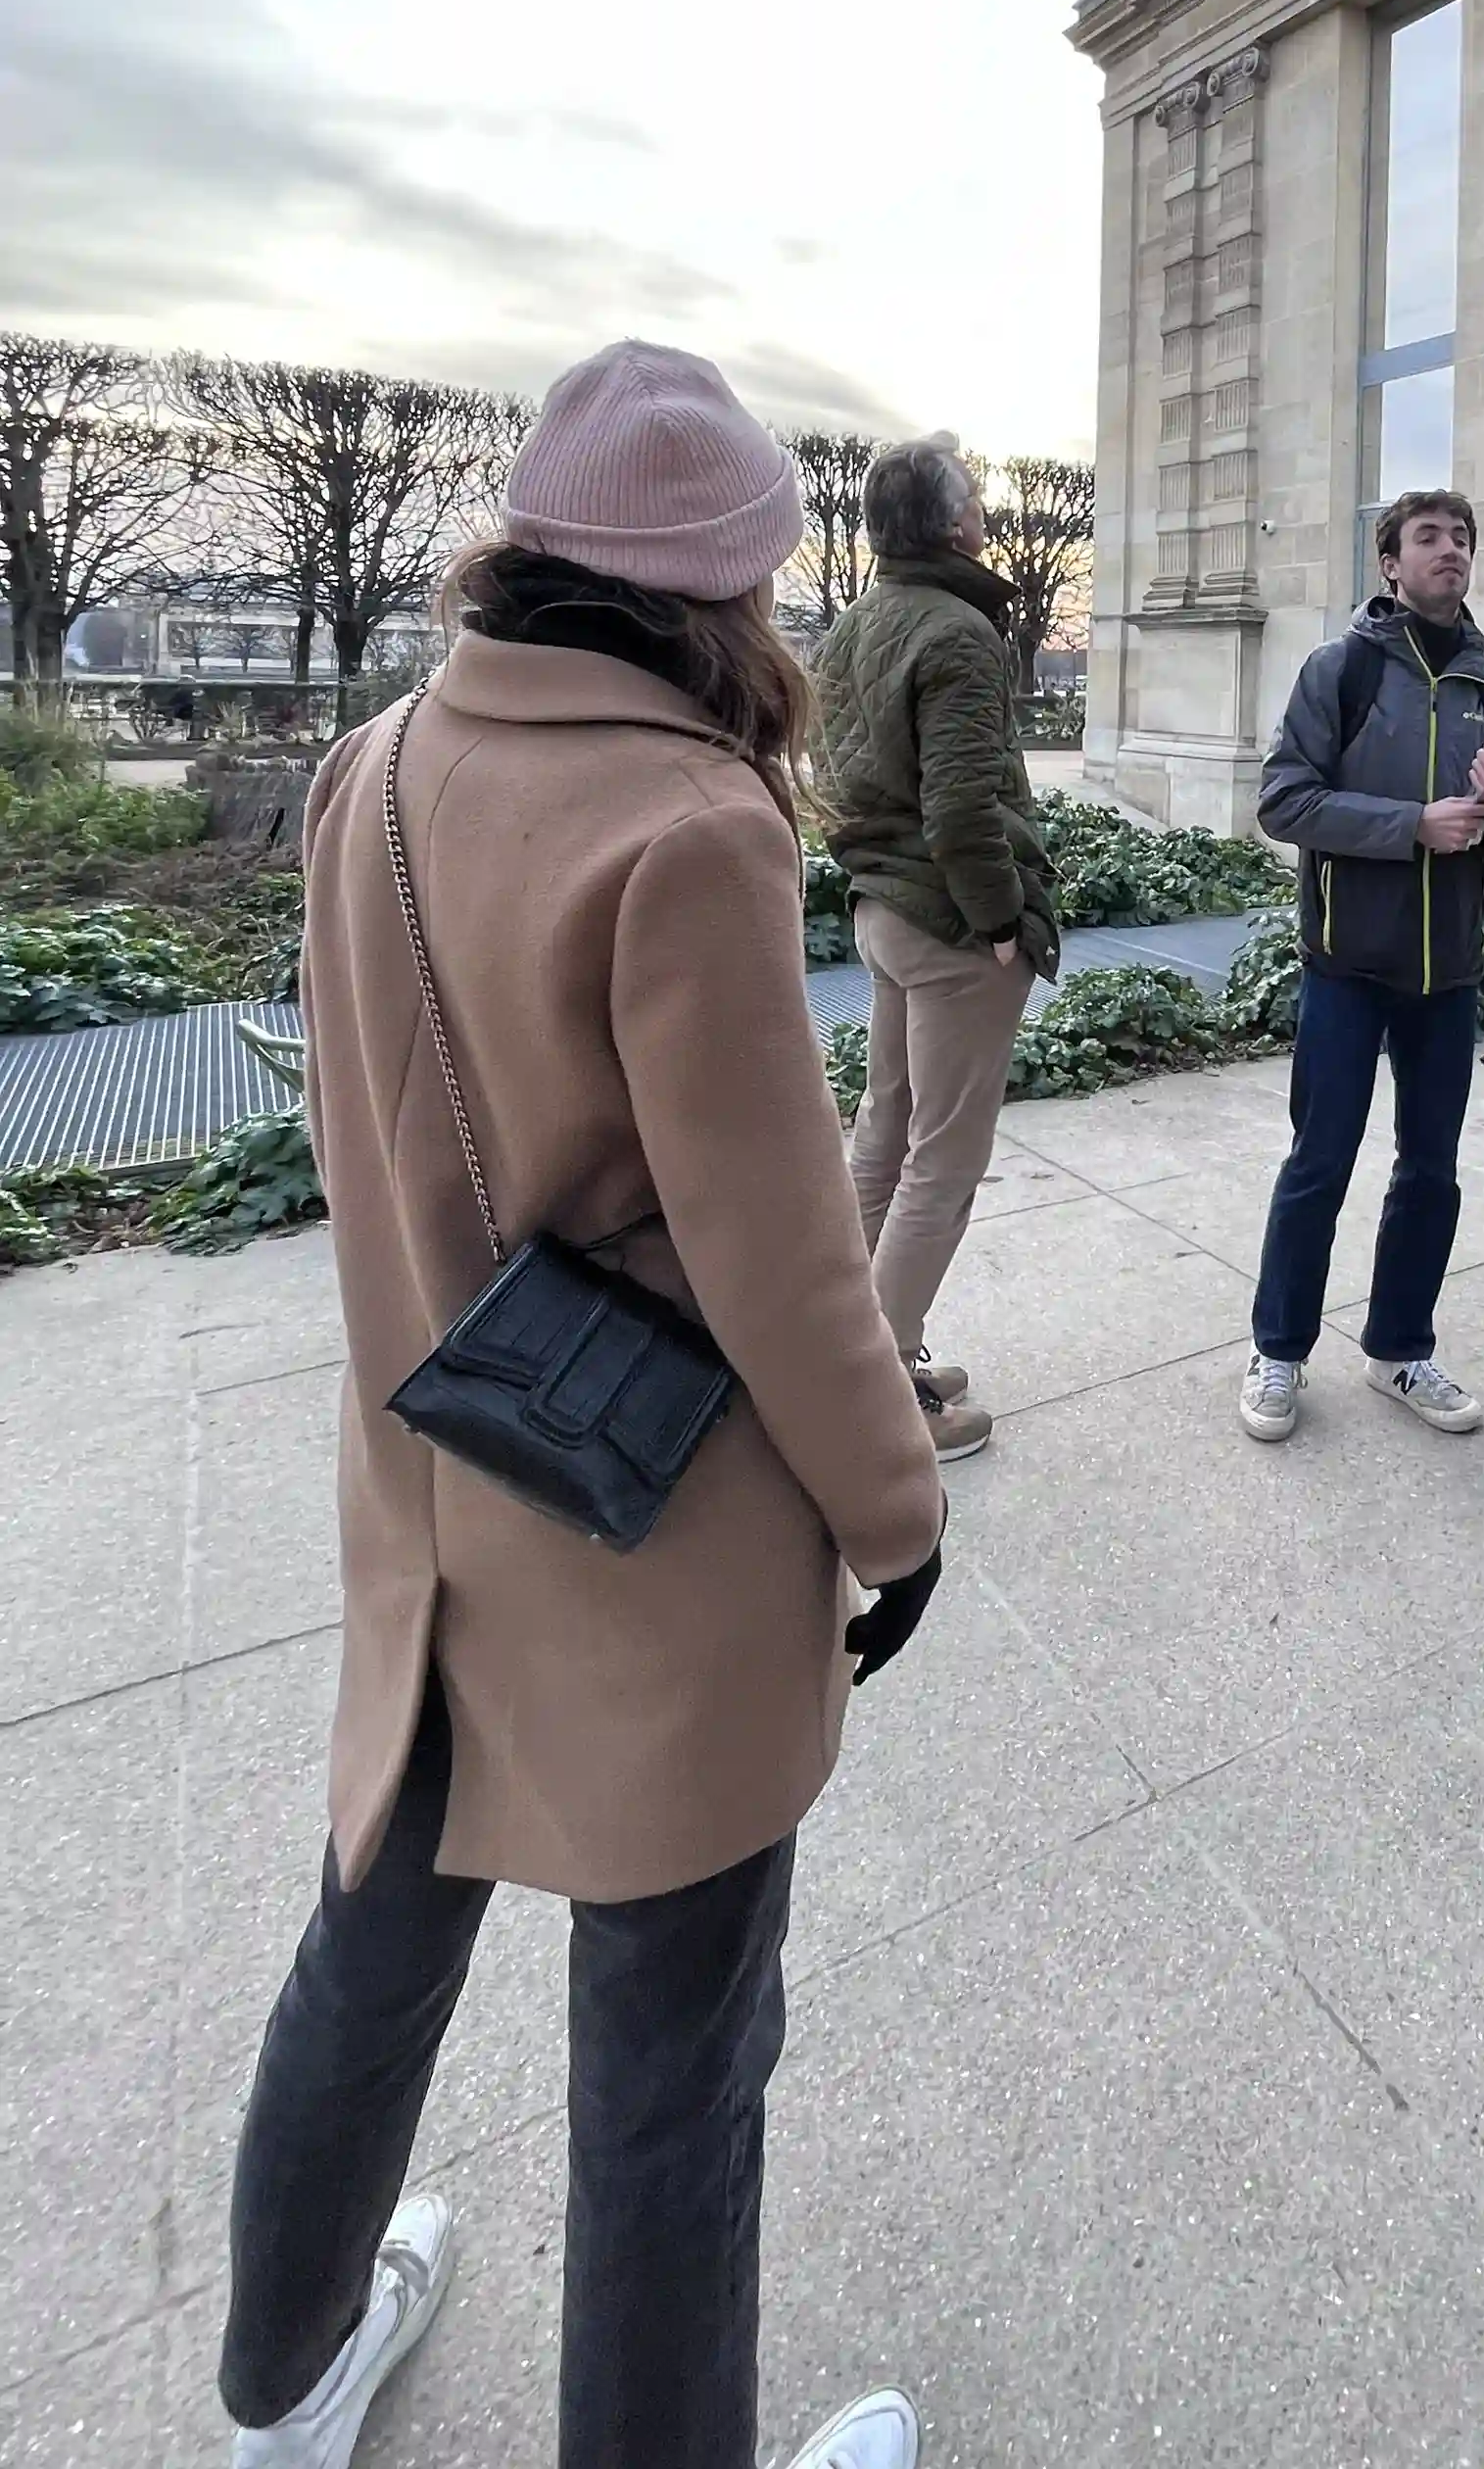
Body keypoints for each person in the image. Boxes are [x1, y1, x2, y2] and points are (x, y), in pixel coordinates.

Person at [220, 342, 948, 2469]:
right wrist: (898, 1518)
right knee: (668, 2081)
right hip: (652, 1534)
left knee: (367, 1959)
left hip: (429, 1494)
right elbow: (782, 1258)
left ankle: (280, 2386)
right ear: (723, 592)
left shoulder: (369, 762)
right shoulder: (691, 821)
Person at [1238, 486, 1484, 1440]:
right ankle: (1278, 1352)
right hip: (1346, 965)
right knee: (1319, 1164)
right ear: (1390, 562)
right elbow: (1284, 802)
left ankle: (1400, 1350)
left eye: (1462, 537)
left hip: (1447, 976)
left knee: (1432, 1172)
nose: (1450, 550)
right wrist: (1412, 827)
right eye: (1429, 537)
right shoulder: (1340, 670)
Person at [813, 432, 1062, 1466]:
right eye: (978, 504)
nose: (986, 519)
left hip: (884, 911)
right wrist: (1003, 924)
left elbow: (830, 777)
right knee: (943, 1162)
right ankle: (881, 1390)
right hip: (954, 925)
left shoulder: (854, 626)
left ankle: (844, 1356)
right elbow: (965, 808)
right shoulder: (958, 634)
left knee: (886, 1132)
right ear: (956, 523)